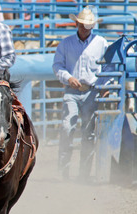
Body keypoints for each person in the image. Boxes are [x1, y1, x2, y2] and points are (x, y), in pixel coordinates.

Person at [52, 7, 110, 181]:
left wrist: (105, 84)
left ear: (92, 26)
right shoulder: (66, 43)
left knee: (88, 132)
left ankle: (83, 174)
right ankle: (64, 172)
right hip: (72, 90)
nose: (85, 28)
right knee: (67, 127)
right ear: (76, 23)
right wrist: (68, 78)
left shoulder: (101, 43)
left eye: (88, 25)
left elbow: (108, 66)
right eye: (83, 24)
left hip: (92, 91)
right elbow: (57, 65)